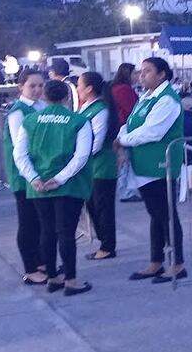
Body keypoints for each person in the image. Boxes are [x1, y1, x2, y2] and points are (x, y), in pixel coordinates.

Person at [14, 80, 94, 296]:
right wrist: (60, 178)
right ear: (67, 97)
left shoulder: (30, 120)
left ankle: (52, 277)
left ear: (45, 97)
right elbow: (82, 156)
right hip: (69, 186)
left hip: (39, 186)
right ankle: (71, 280)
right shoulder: (79, 121)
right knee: (66, 232)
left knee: (47, 231)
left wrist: (33, 178)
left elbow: (19, 154)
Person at [115, 58, 186, 284]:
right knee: (155, 215)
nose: (141, 75)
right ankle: (156, 261)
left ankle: (178, 263)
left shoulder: (167, 100)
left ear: (162, 74)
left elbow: (152, 131)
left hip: (159, 165)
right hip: (143, 165)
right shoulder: (146, 97)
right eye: (141, 71)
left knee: (166, 215)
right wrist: (121, 136)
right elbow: (130, 122)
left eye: (147, 71)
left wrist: (123, 141)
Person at [3, 69, 47, 284]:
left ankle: (40, 261)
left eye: (40, 85)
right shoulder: (18, 112)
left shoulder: (42, 106)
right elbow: (20, 146)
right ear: (21, 86)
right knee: (28, 222)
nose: (37, 90)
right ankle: (30, 268)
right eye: (32, 86)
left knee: (39, 221)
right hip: (24, 175)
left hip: (40, 172)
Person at [78, 72, 120, 261]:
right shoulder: (86, 107)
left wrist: (77, 158)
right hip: (89, 168)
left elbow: (95, 142)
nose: (77, 88)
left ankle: (108, 246)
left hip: (101, 167)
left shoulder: (100, 110)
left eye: (79, 85)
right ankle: (104, 241)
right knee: (93, 207)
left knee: (103, 208)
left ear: (89, 88)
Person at [110, 63, 141, 203]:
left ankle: (126, 190)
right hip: (123, 127)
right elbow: (132, 109)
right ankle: (125, 191)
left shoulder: (119, 88)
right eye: (135, 73)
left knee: (124, 160)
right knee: (124, 160)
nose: (137, 76)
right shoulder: (123, 90)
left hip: (121, 126)